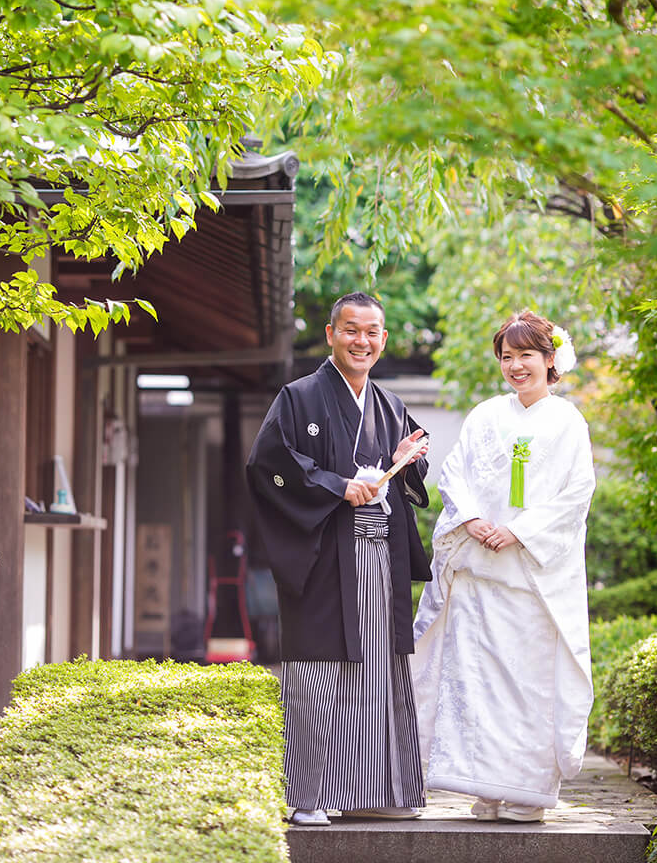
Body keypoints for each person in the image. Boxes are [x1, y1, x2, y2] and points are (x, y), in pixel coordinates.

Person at [246, 292, 432, 826]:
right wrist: (336, 485)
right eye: (351, 330)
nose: (362, 341)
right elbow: (268, 463)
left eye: (372, 332)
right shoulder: (298, 397)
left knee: (378, 671)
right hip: (324, 556)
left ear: (384, 339)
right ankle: (309, 795)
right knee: (318, 671)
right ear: (331, 334)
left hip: (379, 558)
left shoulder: (389, 405)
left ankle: (381, 790)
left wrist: (404, 460)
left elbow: (408, 465)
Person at [412, 310, 596, 823]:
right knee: (476, 681)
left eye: (526, 356)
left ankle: (527, 793)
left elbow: (576, 493)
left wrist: (519, 530)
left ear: (550, 359)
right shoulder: (488, 414)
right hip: (480, 574)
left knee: (527, 684)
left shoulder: (567, 421)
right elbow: (454, 470)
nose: (516, 366)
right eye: (507, 357)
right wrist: (471, 519)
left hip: (531, 579)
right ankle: (485, 787)